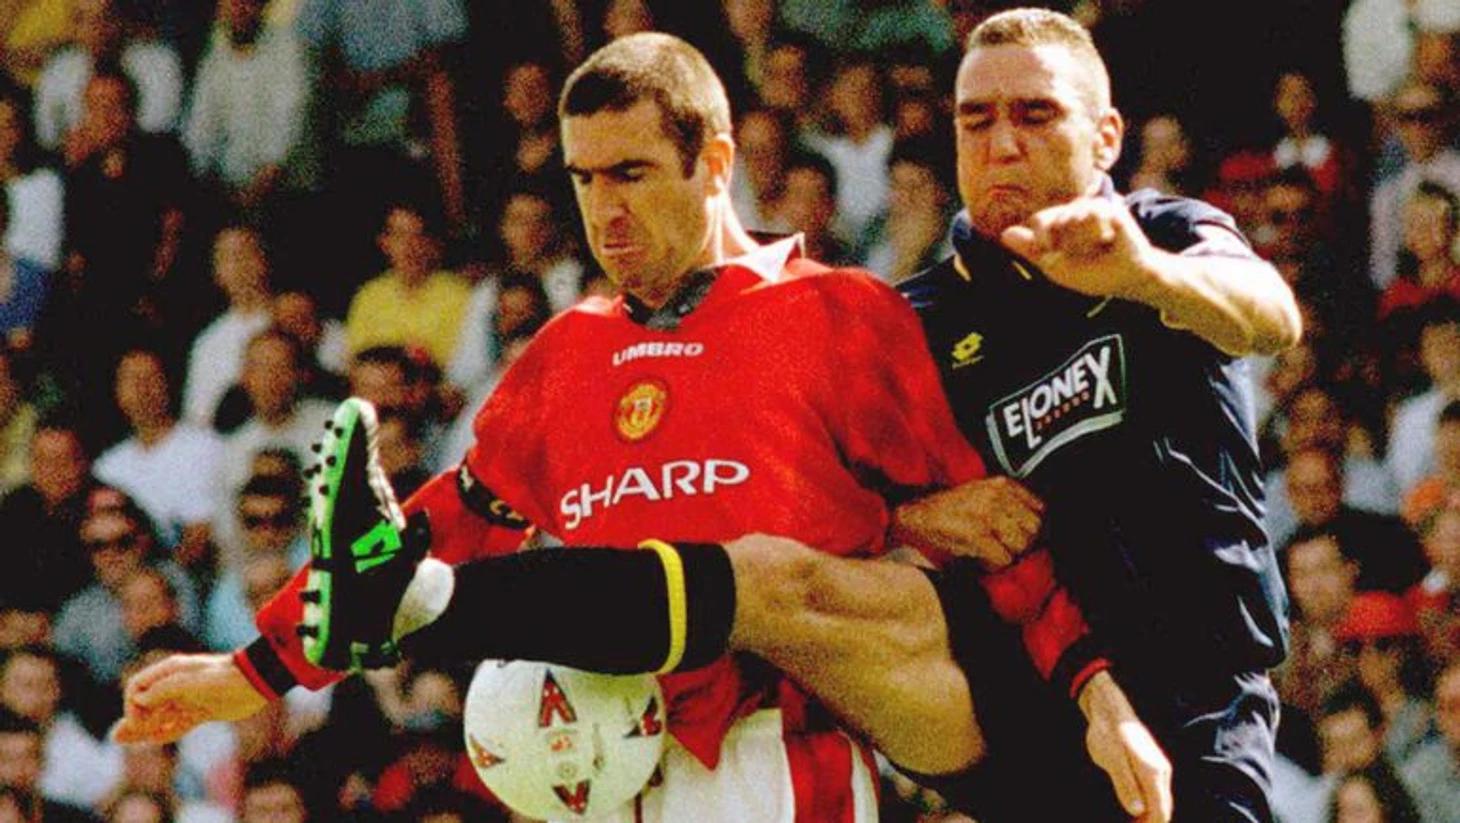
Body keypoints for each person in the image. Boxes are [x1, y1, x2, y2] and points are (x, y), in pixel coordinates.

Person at [116, 31, 1168, 823]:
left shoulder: (835, 312)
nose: (604, 210)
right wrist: (249, 671)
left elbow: (996, 534)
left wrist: (1096, 692)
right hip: (588, 764)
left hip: (770, 755)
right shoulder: (564, 353)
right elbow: (417, 535)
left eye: (631, 173)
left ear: (714, 162)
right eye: (583, 179)